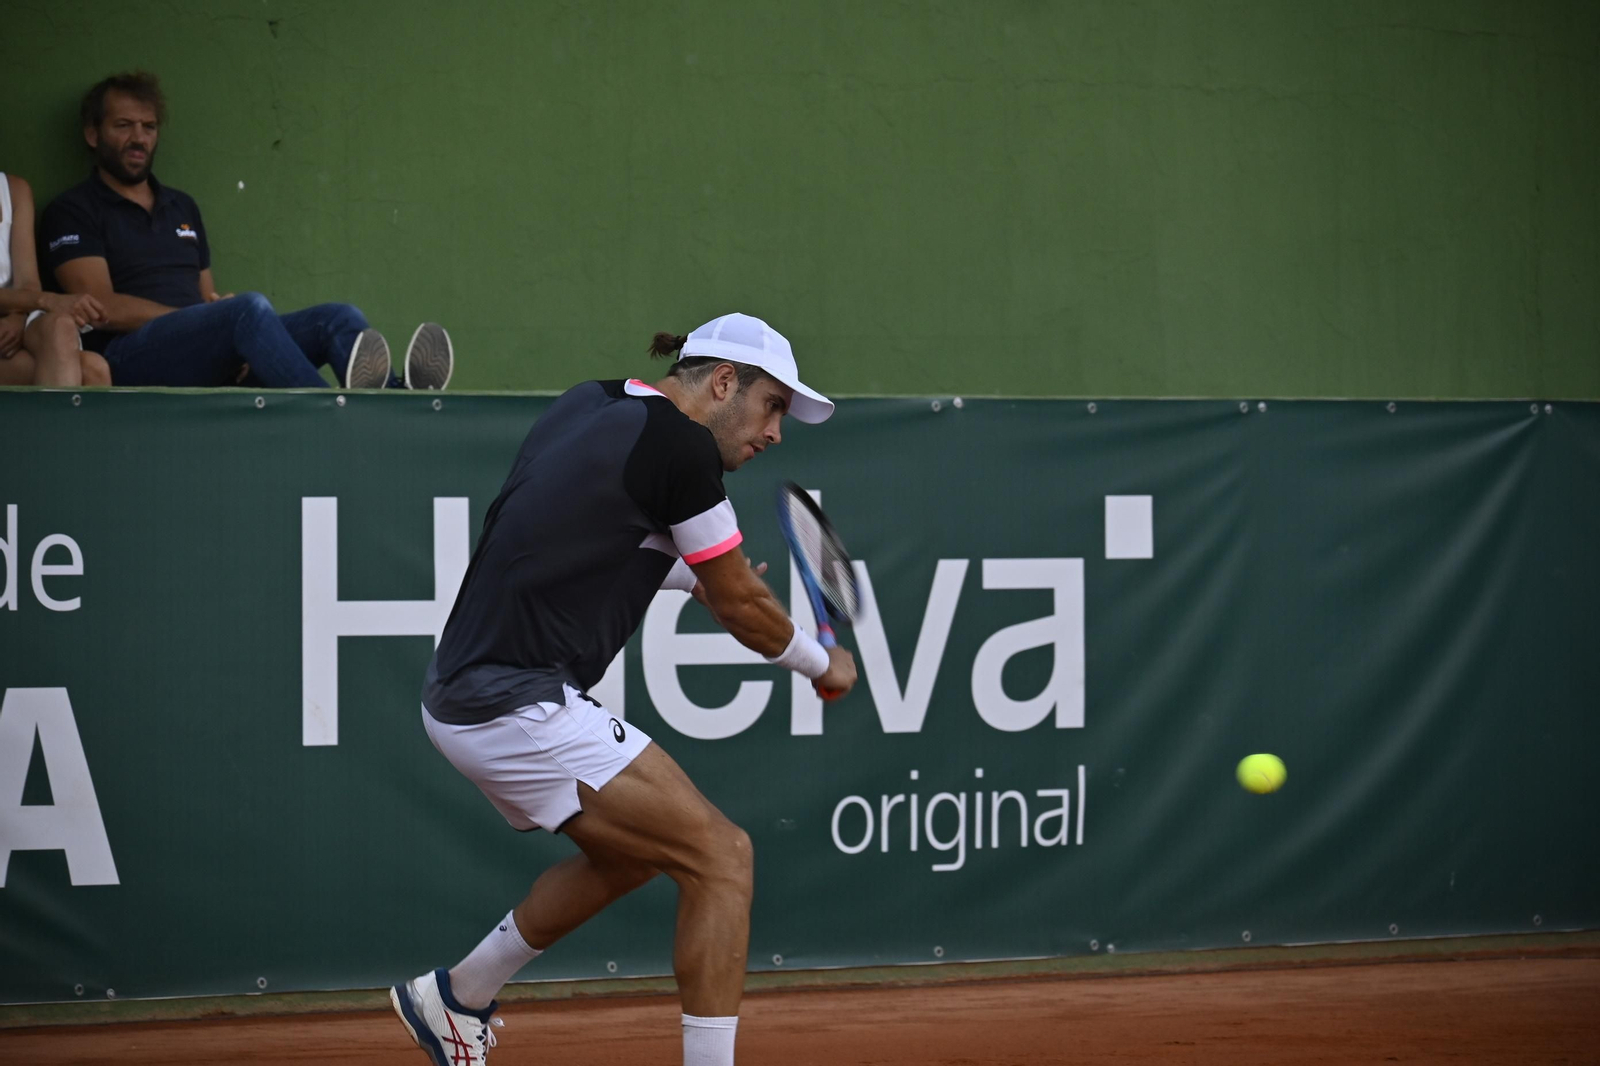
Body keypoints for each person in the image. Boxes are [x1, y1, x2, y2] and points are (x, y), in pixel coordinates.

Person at [391, 313, 857, 1066]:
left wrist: (692, 576)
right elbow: (740, 601)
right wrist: (818, 663)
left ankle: (456, 996)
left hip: (463, 691)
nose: (775, 433)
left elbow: (569, 526)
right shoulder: (680, 448)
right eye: (773, 406)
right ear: (724, 382)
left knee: (635, 855)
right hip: (512, 700)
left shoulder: (592, 401)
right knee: (724, 857)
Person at [39, 71, 454, 390]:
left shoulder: (181, 206)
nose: (139, 138)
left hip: (204, 348)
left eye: (148, 127)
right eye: (123, 125)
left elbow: (206, 295)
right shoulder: (73, 210)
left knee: (339, 318)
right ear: (93, 134)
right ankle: (336, 416)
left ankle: (401, 399)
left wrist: (219, 320)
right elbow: (100, 308)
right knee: (248, 311)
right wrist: (216, 320)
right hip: (129, 360)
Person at [0, 170, 111, 387]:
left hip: (16, 314)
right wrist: (48, 300)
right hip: (26, 306)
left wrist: (18, 317)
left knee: (61, 325)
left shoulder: (14, 189)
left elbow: (28, 283)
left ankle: (55, 421)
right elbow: (37, 298)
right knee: (92, 370)